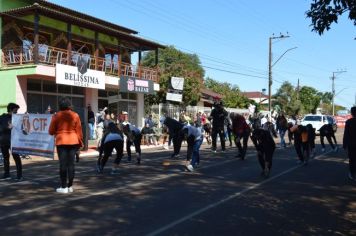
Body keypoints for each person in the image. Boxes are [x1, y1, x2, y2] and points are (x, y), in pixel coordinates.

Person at [49, 97, 83, 193]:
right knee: (71, 164)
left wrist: (58, 131)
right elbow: (79, 131)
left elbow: (51, 131)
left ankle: (63, 187)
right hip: (73, 141)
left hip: (61, 141)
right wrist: (80, 144)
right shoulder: (75, 115)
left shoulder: (56, 116)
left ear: (60, 105)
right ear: (69, 105)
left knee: (63, 164)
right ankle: (70, 186)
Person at [0, 103, 22, 181]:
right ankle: (6, 174)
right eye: (15, 110)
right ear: (10, 110)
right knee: (6, 158)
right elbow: (1, 128)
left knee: (16, 158)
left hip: (14, 142)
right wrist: (7, 127)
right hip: (3, 141)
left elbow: (21, 129)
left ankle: (19, 175)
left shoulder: (18, 118)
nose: (17, 112)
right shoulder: (2, 117)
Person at [343, 106, 356, 180]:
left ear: (352, 113)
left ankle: (352, 173)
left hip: (351, 144)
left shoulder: (349, 122)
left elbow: (346, 134)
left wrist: (345, 145)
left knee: (352, 159)